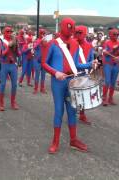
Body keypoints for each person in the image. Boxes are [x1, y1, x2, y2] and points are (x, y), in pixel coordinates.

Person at [42, 18, 97, 154]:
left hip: (72, 80)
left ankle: (73, 140)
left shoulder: (75, 44)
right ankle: (55, 142)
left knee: (72, 111)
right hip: (58, 81)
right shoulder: (53, 44)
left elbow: (76, 64)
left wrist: (90, 64)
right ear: (62, 27)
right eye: (69, 27)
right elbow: (43, 63)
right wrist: (55, 73)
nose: (70, 30)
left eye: (72, 27)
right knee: (59, 111)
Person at [74, 25, 95, 125]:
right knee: (73, 95)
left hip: (84, 73)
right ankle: (72, 114)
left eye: (79, 32)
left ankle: (82, 115)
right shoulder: (72, 43)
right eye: (76, 32)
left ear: (85, 34)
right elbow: (72, 63)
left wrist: (93, 65)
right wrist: (89, 64)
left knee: (83, 95)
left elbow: (91, 58)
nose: (77, 34)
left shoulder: (89, 45)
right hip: (73, 73)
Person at [0, 26, 20, 111]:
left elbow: (19, 54)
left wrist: (17, 47)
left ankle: (13, 102)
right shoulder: (1, 42)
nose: (9, 33)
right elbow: (1, 55)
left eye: (10, 31)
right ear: (4, 32)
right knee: (2, 85)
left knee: (14, 85)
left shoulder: (14, 40)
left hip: (13, 65)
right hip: (4, 65)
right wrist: (8, 48)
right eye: (7, 32)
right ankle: (1, 104)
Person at [102, 28, 119, 106]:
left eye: (117, 34)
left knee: (113, 82)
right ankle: (104, 98)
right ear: (110, 35)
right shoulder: (107, 42)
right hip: (108, 64)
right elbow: (104, 53)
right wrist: (111, 51)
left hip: (116, 64)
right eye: (114, 34)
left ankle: (110, 98)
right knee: (107, 81)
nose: (116, 36)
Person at [33, 28, 47, 94]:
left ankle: (42, 88)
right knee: (37, 75)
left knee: (43, 75)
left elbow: (47, 49)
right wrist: (40, 41)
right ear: (39, 34)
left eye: (43, 33)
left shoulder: (45, 41)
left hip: (43, 61)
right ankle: (35, 88)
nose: (43, 35)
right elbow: (35, 47)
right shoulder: (37, 40)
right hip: (37, 60)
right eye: (41, 33)